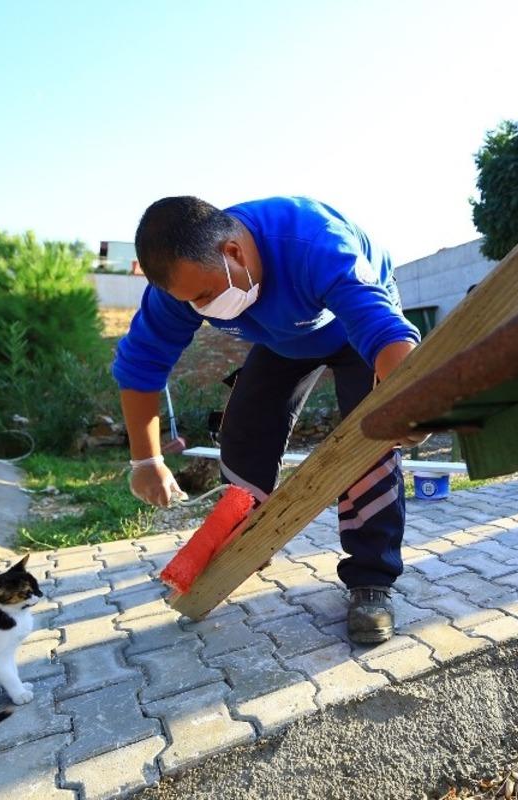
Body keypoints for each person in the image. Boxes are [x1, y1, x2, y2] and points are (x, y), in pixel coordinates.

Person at [112, 195, 423, 644]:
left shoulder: (314, 242)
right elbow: (140, 364)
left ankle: (370, 581)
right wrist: (146, 461)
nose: (200, 310)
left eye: (204, 296)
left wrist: (411, 401)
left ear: (234, 253)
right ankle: (246, 544)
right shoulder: (182, 285)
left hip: (356, 333)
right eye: (190, 302)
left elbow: (384, 330)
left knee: (369, 440)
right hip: (283, 341)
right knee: (243, 437)